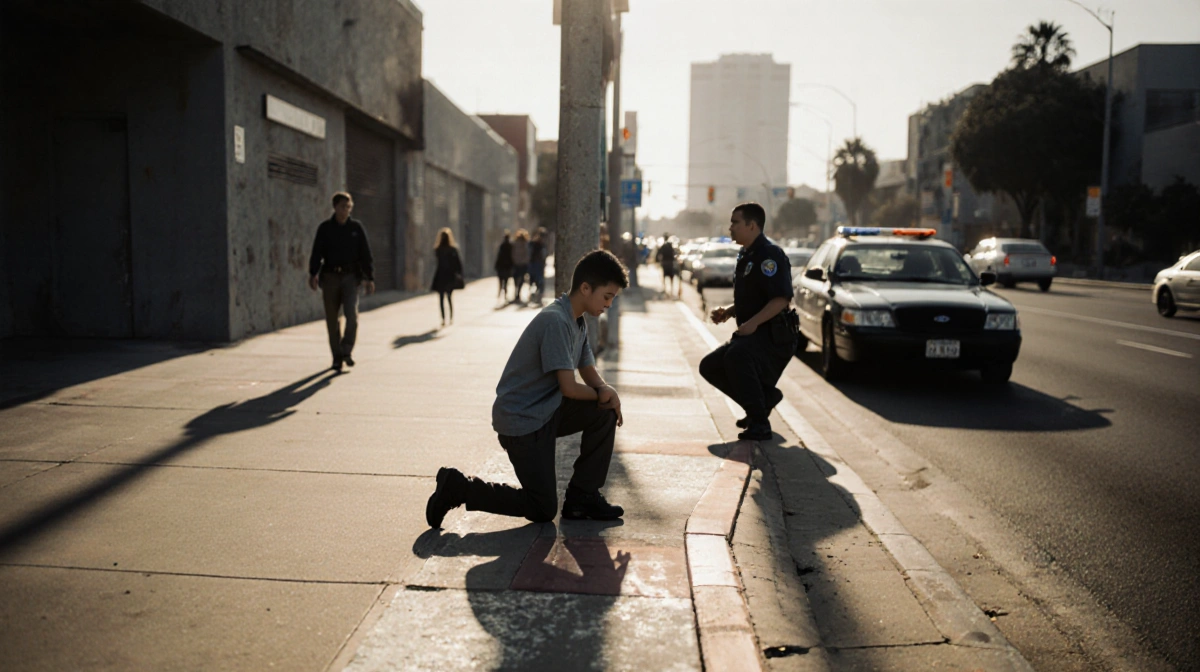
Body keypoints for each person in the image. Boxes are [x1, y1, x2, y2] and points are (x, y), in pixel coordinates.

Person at [425, 249, 630, 527]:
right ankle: (459, 487)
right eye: (607, 297)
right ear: (585, 288)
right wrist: (602, 394)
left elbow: (587, 369)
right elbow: (569, 388)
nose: (609, 304)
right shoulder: (556, 321)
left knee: (603, 412)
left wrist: (607, 392)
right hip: (523, 422)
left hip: (546, 411)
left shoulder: (578, 321)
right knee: (542, 507)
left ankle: (583, 497)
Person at [699, 203, 797, 441]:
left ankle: (760, 424)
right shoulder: (747, 253)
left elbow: (781, 299)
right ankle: (762, 403)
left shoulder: (769, 255)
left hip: (774, 334)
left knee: (736, 357)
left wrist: (752, 323)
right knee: (710, 366)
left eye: (735, 223)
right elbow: (755, 297)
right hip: (756, 331)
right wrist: (730, 312)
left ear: (751, 226)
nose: (730, 227)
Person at [308, 191, 375, 372]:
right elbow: (316, 253)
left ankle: (347, 350)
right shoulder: (325, 228)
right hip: (329, 277)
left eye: (348, 206)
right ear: (335, 207)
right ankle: (337, 357)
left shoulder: (356, 228)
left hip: (350, 277)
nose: (345, 210)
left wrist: (369, 277)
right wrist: (313, 273)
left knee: (351, 315)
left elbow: (365, 254)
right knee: (332, 319)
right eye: (342, 206)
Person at [431, 228, 465, 326]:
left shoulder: (438, 250)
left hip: (440, 276)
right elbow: (458, 264)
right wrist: (460, 274)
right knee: (449, 298)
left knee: (441, 299)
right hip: (450, 276)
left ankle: (443, 319)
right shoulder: (453, 250)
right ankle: (450, 318)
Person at [510, 229, 531, 303]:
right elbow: (527, 255)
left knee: (517, 279)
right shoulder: (524, 243)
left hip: (518, 264)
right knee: (520, 279)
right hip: (522, 264)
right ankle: (517, 293)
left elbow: (513, 254)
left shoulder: (517, 243)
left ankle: (517, 294)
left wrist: (515, 261)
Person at [528, 228, 548, 305]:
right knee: (539, 281)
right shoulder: (540, 245)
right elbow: (544, 255)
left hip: (534, 264)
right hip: (537, 264)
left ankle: (536, 297)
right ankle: (538, 297)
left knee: (534, 281)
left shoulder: (532, 243)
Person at [494, 232, 514, 301]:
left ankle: (500, 294)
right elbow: (512, 257)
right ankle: (505, 294)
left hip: (502, 266)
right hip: (507, 266)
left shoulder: (502, 246)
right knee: (505, 282)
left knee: (501, 281)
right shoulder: (510, 246)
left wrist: (496, 265)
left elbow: (499, 257)